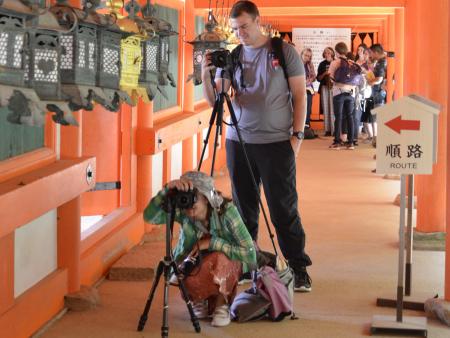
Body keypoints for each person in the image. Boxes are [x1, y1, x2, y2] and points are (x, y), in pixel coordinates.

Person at [201, 0, 312, 292]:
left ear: (258, 21)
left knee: (282, 207)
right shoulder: (233, 56)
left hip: (277, 142)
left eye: (245, 27)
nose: (240, 33)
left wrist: (297, 137)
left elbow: (300, 96)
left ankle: (298, 266)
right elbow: (216, 100)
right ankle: (249, 263)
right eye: (236, 29)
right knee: (243, 208)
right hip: (240, 142)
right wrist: (206, 73)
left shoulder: (282, 51)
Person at [143, 171, 257, 327]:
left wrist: (213, 243)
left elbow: (250, 254)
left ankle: (221, 304)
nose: (188, 206)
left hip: (227, 263)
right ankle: (198, 299)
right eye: (184, 199)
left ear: (206, 197)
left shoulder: (227, 212)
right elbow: (149, 217)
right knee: (185, 266)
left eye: (193, 199)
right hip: (195, 262)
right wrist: (165, 191)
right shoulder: (184, 212)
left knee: (219, 258)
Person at [328, 42, 357, 150]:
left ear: (336, 51)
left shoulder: (335, 63)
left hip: (338, 92)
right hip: (350, 93)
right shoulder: (352, 63)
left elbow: (331, 78)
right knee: (350, 116)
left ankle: (337, 142)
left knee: (338, 117)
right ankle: (351, 142)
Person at [366, 43, 387, 148]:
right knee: (377, 119)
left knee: (378, 119)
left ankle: (379, 142)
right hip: (380, 94)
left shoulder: (381, 63)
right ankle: (377, 140)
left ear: (376, 52)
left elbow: (379, 79)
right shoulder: (384, 61)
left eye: (371, 53)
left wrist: (371, 82)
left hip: (379, 94)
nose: (371, 56)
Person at [317, 47, 335, 136]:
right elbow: (318, 78)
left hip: (334, 87)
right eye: (325, 53)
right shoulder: (322, 64)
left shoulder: (336, 62)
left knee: (334, 108)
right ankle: (327, 130)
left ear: (332, 53)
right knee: (326, 108)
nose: (327, 54)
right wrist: (325, 73)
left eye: (329, 52)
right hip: (324, 87)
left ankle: (335, 129)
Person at [301, 48, 316, 128]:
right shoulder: (297, 63)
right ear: (302, 54)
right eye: (306, 55)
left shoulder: (310, 64)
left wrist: (310, 80)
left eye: (309, 56)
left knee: (308, 107)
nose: (307, 57)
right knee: (299, 107)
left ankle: (307, 125)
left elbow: (314, 76)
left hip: (308, 88)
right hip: (299, 87)